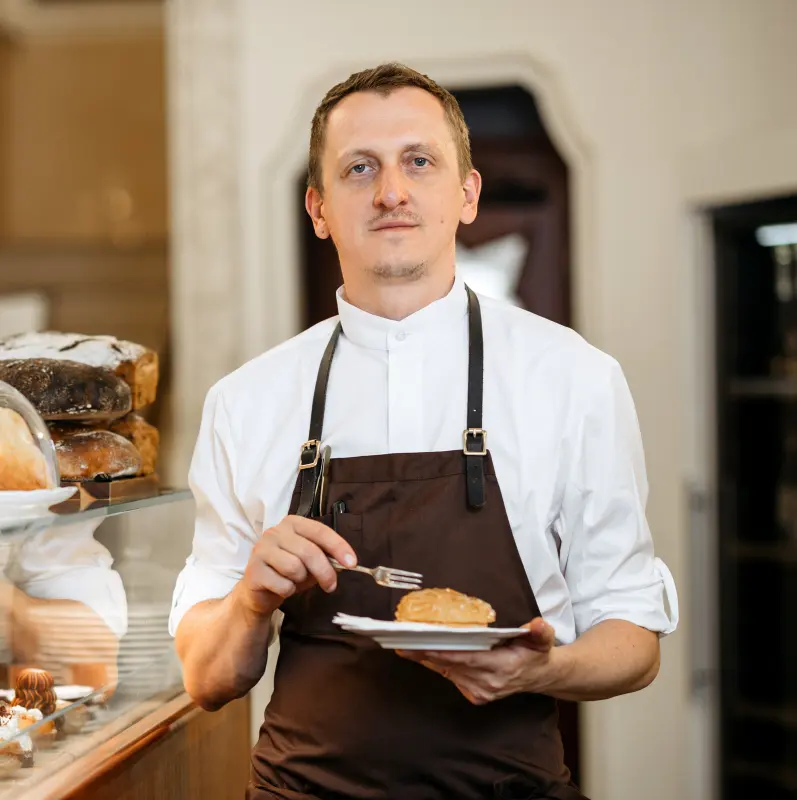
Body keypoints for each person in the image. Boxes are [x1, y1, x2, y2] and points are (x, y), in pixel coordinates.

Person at [170, 62, 679, 800]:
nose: (390, 192)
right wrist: (250, 598)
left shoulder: (573, 377)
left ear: (465, 193)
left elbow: (633, 641)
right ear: (318, 208)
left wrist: (543, 670)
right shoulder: (245, 401)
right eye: (358, 168)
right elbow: (207, 680)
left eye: (418, 162)